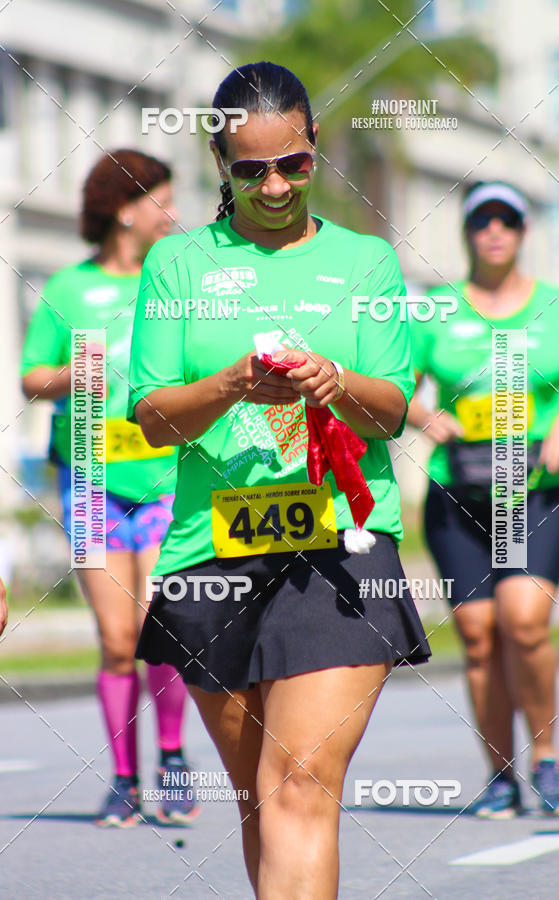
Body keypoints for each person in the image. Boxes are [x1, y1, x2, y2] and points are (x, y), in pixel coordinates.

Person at [128, 61, 430, 897]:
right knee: (261, 800)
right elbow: (152, 417)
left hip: (339, 552)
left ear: (315, 148)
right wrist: (230, 384)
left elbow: (391, 409)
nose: (273, 186)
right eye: (250, 169)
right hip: (211, 553)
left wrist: (335, 379)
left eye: (292, 164)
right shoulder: (176, 265)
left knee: (299, 782)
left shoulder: (367, 262)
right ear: (219, 164)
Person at [408, 181, 559, 818]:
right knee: (480, 634)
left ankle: (546, 758)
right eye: (483, 221)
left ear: (523, 233)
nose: (495, 232)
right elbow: (397, 388)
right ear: (467, 232)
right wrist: (424, 416)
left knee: (523, 619)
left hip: (535, 487)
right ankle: (500, 774)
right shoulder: (435, 311)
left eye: (508, 221)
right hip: (459, 489)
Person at [21, 150, 199, 828]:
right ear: (128, 209)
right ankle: (125, 779)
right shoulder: (68, 289)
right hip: (91, 483)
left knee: (164, 625)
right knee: (117, 637)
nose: (175, 214)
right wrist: (76, 373)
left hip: (161, 481)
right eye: (163, 200)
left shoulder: (175, 285)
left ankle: (175, 759)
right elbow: (30, 378)